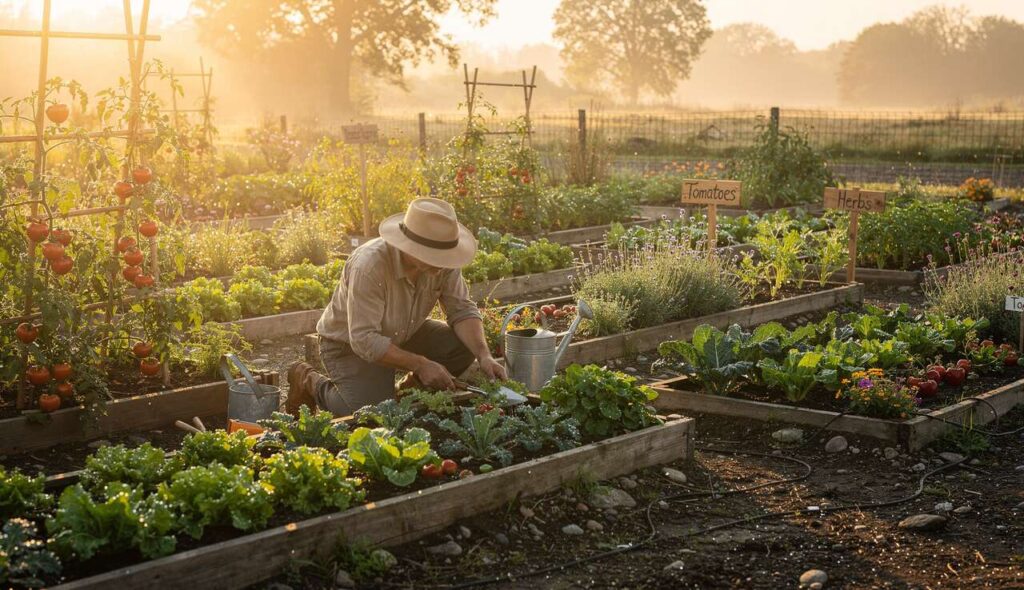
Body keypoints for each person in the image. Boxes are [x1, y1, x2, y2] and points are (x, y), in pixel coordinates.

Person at [286, 198, 507, 415]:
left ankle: (406, 390)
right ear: (410, 247)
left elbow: (461, 309)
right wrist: (420, 364)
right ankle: (308, 380)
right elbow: (364, 340)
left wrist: (484, 355)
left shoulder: (443, 262)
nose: (442, 264)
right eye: (434, 256)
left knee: (460, 348)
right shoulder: (370, 266)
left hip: (405, 332)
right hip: (349, 345)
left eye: (445, 256)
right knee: (368, 413)